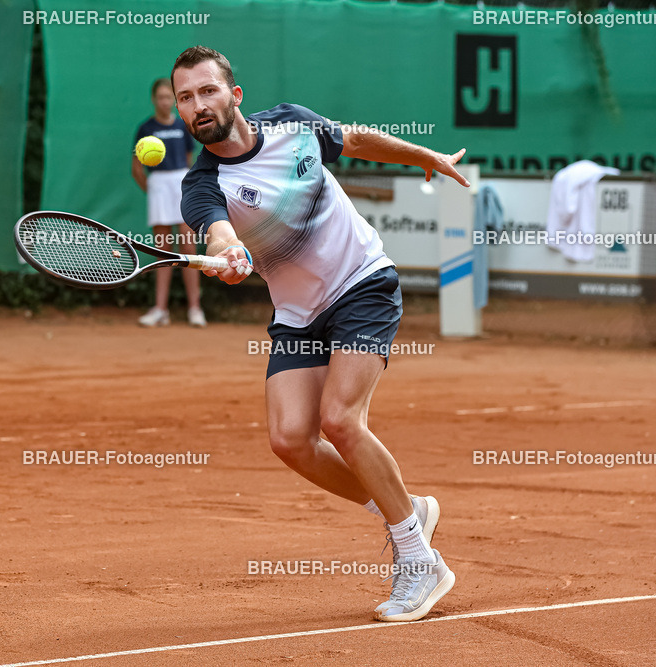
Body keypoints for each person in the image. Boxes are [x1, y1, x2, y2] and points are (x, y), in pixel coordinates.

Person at [172, 46, 471, 622]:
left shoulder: (291, 124)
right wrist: (229, 249)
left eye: (207, 91)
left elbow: (354, 140)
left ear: (234, 96)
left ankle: (417, 555)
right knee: (290, 440)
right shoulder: (202, 184)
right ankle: (405, 510)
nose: (197, 104)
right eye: (186, 97)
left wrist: (425, 156)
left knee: (340, 419)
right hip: (299, 312)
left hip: (361, 281)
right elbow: (216, 231)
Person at [132, 77, 205, 327]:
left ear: (173, 101)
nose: (165, 102)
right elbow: (137, 169)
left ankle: (195, 308)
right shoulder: (145, 129)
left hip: (181, 184)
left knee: (188, 246)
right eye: (160, 97)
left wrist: (184, 187)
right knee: (162, 252)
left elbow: (188, 161)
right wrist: (152, 190)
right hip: (158, 186)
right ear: (154, 100)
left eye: (168, 97)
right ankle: (160, 309)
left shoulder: (184, 126)